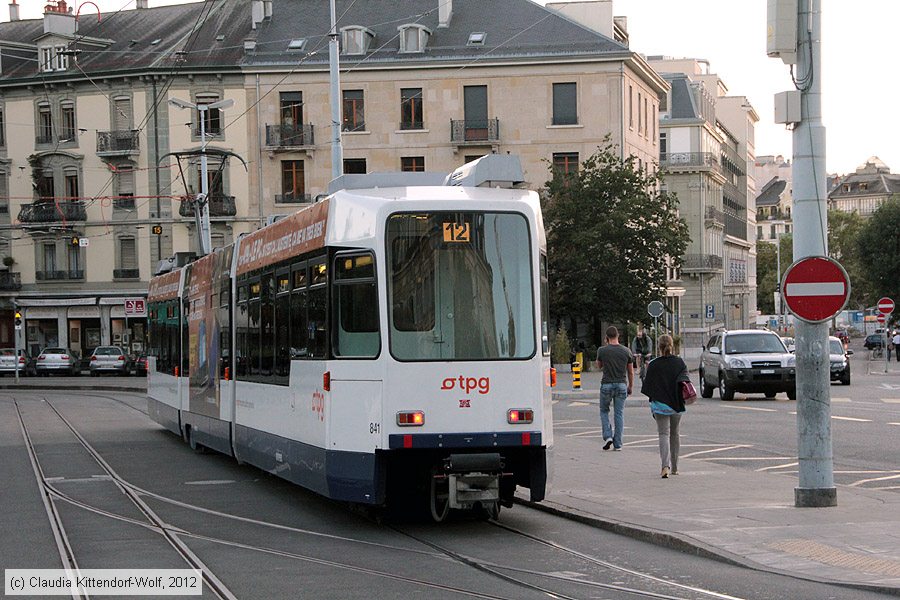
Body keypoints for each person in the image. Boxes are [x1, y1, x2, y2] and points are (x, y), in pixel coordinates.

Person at [640, 334, 689, 479]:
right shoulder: (679, 363)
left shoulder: (654, 364)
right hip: (676, 404)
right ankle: (675, 467)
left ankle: (664, 466)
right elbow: (685, 381)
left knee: (663, 434)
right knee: (675, 434)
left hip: (660, 405)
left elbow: (647, 386)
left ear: (659, 347)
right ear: (672, 346)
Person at [595, 326, 634, 451]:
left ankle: (608, 436)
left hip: (606, 384)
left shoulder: (602, 350)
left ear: (606, 338)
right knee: (619, 413)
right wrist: (630, 386)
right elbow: (631, 371)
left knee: (604, 411)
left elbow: (599, 366)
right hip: (621, 384)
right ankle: (618, 444)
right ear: (618, 336)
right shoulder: (626, 351)